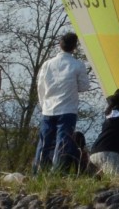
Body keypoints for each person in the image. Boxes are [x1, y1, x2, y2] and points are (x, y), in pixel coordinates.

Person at [34, 31, 97, 172]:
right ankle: (57, 171)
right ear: (75, 47)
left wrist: (43, 103)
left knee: (44, 142)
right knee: (63, 142)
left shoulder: (47, 64)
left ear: (59, 45)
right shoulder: (77, 65)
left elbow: (40, 85)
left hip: (48, 108)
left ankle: (38, 170)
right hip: (67, 108)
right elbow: (84, 86)